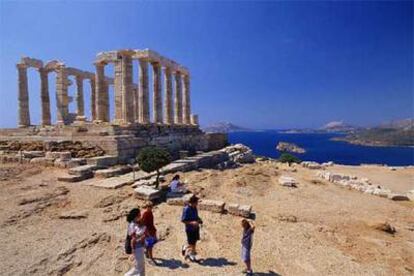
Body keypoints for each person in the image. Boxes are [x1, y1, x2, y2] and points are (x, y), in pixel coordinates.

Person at [125, 208, 147, 276]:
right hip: (137, 248)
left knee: (142, 266)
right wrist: (133, 251)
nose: (140, 216)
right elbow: (133, 239)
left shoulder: (136, 223)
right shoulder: (132, 225)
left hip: (140, 247)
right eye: (139, 215)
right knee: (138, 267)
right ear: (136, 216)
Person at [181, 195, 202, 262]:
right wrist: (192, 223)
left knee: (194, 241)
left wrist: (199, 219)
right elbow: (183, 220)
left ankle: (186, 247)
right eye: (196, 202)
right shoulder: (186, 209)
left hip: (196, 228)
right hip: (190, 229)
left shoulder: (195, 207)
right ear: (192, 202)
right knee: (191, 243)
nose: (197, 204)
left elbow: (196, 216)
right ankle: (191, 255)